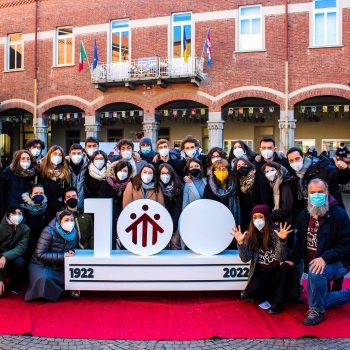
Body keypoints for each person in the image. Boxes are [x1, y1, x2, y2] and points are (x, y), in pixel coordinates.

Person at [285, 179, 350, 325]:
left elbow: (346, 246)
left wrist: (325, 258)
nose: (316, 196)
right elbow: (301, 242)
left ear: (327, 193)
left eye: (320, 192)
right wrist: (293, 261)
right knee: (316, 295)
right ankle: (320, 301)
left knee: (315, 274)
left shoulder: (338, 214)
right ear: (308, 195)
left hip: (339, 263)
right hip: (316, 263)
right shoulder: (304, 214)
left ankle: (317, 311)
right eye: (312, 193)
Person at [232, 205, 294, 314]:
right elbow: (245, 258)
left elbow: (281, 257)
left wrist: (282, 240)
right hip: (262, 272)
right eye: (254, 217)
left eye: (261, 217)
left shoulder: (275, 232)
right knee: (253, 291)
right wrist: (241, 243)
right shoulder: (250, 235)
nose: (257, 220)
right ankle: (276, 294)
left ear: (266, 218)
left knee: (286, 268)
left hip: (276, 270)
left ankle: (278, 303)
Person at [25, 210, 77, 302]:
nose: (70, 223)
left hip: (59, 264)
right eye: (66, 220)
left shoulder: (74, 234)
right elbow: (40, 253)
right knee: (44, 278)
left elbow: (71, 248)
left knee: (71, 277)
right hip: (41, 263)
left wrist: (71, 252)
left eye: (72, 220)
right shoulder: (48, 231)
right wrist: (64, 255)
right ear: (59, 220)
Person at [99, 161, 133, 249]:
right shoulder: (107, 183)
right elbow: (102, 199)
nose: (122, 173)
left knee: (125, 237)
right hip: (110, 215)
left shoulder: (131, 184)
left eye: (125, 171)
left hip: (126, 215)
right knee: (111, 237)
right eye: (120, 170)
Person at [234, 158, 274, 231]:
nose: (242, 167)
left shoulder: (261, 179)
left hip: (261, 218)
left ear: (249, 165)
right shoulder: (238, 182)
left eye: (244, 164)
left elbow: (266, 202)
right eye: (239, 166)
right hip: (247, 220)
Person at [0, 204, 30, 296]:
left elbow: (21, 247)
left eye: (20, 213)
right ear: (8, 214)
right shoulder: (1, 228)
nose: (17, 216)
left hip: (14, 256)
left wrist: (5, 256)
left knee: (20, 262)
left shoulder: (25, 229)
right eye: (14, 213)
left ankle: (13, 281)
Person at [37, 145, 71, 223]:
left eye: (60, 155)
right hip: (43, 206)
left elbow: (66, 189)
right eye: (55, 154)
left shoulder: (65, 172)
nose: (57, 156)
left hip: (58, 206)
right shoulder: (41, 169)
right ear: (49, 155)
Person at [203, 158, 241, 227]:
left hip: (233, 219)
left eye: (224, 169)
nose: (221, 171)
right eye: (218, 169)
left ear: (228, 171)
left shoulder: (235, 184)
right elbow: (207, 205)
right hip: (216, 220)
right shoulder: (209, 186)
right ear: (214, 172)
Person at [21, 184, 49, 267]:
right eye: (36, 193)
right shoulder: (24, 209)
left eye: (41, 193)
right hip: (28, 244)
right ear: (30, 195)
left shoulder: (47, 207)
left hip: (44, 242)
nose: (39, 195)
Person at [157, 163, 183, 250]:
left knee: (175, 241)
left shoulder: (178, 187)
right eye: (163, 173)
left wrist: (173, 226)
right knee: (162, 243)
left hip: (175, 219)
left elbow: (177, 208)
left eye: (167, 173)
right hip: (161, 221)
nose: (165, 176)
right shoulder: (156, 187)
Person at [261, 162, 294, 230]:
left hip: (285, 222)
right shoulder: (271, 184)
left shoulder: (284, 183)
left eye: (272, 170)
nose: (269, 173)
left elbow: (286, 207)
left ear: (278, 170)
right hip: (279, 220)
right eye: (266, 171)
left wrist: (270, 216)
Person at [66, 143, 89, 210]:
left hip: (84, 203)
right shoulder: (65, 165)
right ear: (70, 154)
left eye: (79, 153)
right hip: (68, 203)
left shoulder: (88, 165)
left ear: (82, 154)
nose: (76, 155)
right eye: (73, 153)